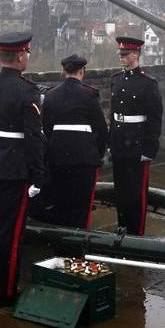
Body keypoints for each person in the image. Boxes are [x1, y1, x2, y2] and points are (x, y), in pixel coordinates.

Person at [0, 31, 46, 306]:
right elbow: (34, 138)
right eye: (26, 54)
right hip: (14, 170)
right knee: (10, 232)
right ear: (19, 56)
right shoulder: (27, 91)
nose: (27, 58)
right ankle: (4, 292)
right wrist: (38, 176)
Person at [39, 54, 108, 228]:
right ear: (81, 71)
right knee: (81, 206)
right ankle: (77, 245)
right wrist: (96, 155)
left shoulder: (51, 95)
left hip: (58, 159)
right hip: (84, 161)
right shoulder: (89, 95)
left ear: (63, 71)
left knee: (61, 202)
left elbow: (46, 128)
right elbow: (100, 129)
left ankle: (62, 239)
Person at [109, 36, 163, 235]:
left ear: (135, 55)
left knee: (136, 194)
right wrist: (110, 141)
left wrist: (149, 149)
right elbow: (113, 115)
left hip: (137, 144)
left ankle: (136, 233)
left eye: (125, 54)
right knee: (120, 192)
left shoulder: (148, 83)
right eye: (120, 54)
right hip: (119, 143)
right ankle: (122, 227)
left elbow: (155, 118)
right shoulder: (116, 79)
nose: (121, 57)